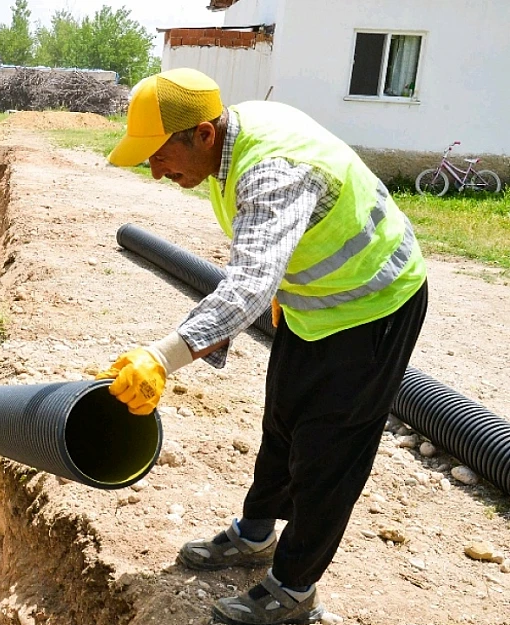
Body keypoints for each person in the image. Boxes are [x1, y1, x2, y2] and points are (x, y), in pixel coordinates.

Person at [99, 68, 428, 625]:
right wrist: (272, 290)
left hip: (374, 305)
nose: (155, 172)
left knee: (328, 454)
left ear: (202, 134)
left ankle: (293, 589)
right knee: (281, 424)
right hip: (313, 304)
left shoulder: (270, 169)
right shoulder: (233, 141)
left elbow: (249, 283)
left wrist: (162, 356)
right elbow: (259, 266)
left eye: (158, 156)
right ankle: (255, 535)